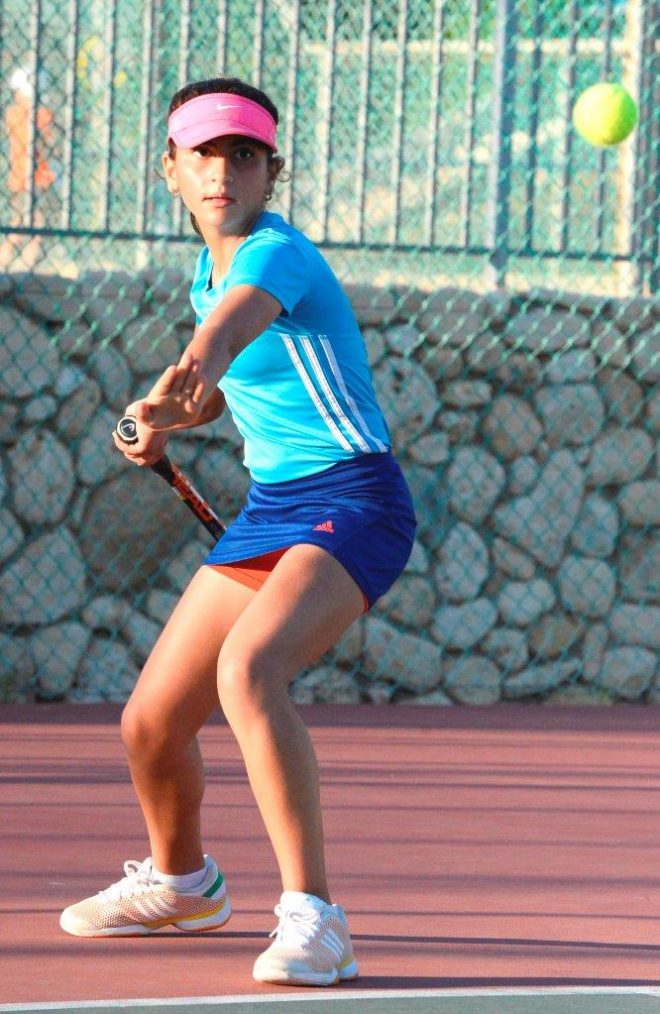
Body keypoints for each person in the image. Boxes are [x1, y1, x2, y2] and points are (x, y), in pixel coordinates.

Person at [59, 75, 416, 987]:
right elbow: (223, 387)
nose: (224, 171)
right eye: (206, 154)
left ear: (271, 173)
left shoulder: (275, 257)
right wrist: (168, 419)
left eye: (245, 155)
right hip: (273, 509)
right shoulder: (206, 271)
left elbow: (218, 344)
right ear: (171, 169)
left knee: (249, 670)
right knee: (151, 722)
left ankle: (316, 919)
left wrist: (180, 382)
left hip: (355, 499)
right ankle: (183, 885)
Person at [1, 66, 57, 269]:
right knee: (37, 226)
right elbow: (52, 142)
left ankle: (5, 261)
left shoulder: (12, 113)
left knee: (18, 221)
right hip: (38, 177)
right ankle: (26, 266)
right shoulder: (42, 114)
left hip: (17, 176)